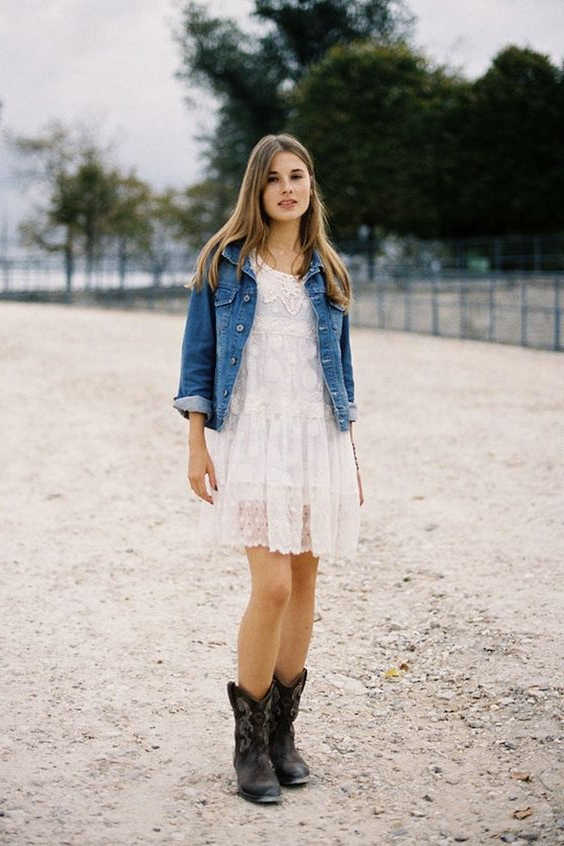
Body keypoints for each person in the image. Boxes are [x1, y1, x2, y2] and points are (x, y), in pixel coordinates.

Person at [173, 133, 364, 804]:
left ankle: (283, 737)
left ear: (311, 187)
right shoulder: (224, 265)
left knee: (306, 584)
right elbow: (197, 362)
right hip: (253, 441)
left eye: (299, 176)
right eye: (276, 178)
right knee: (274, 587)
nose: (289, 187)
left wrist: (352, 457)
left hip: (318, 441)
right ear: (257, 190)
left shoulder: (330, 271)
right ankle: (248, 744)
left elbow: (338, 372)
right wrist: (197, 445)